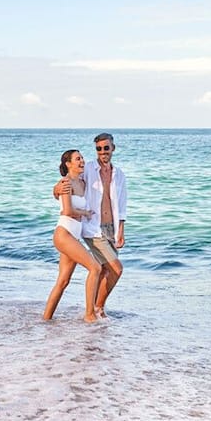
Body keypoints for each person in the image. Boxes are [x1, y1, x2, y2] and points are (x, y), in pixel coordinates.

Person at [54, 132, 126, 318]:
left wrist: (121, 231)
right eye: (99, 149)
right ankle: (96, 309)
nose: (102, 152)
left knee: (105, 272)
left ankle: (94, 308)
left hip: (111, 228)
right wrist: (56, 189)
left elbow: (122, 204)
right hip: (93, 227)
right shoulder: (89, 169)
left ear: (113, 149)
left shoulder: (119, 175)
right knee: (116, 269)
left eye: (106, 148)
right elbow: (69, 179)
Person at [43, 150, 101, 323]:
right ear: (68, 164)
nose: (82, 161)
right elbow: (67, 211)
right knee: (95, 268)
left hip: (73, 236)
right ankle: (89, 315)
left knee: (63, 281)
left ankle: (45, 320)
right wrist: (86, 212)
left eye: (82, 158)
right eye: (77, 159)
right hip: (64, 234)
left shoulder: (82, 183)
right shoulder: (65, 183)